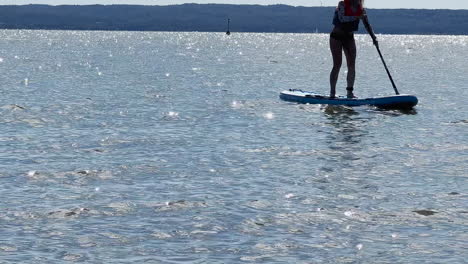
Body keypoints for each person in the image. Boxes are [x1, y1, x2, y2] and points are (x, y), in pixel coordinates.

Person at [329, 0, 377, 98]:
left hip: (349, 38)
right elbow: (342, 19)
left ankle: (349, 93)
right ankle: (332, 93)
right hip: (336, 37)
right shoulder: (342, 4)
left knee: (351, 65)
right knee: (337, 64)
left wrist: (374, 38)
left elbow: (367, 25)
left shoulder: (361, 9)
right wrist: (356, 16)